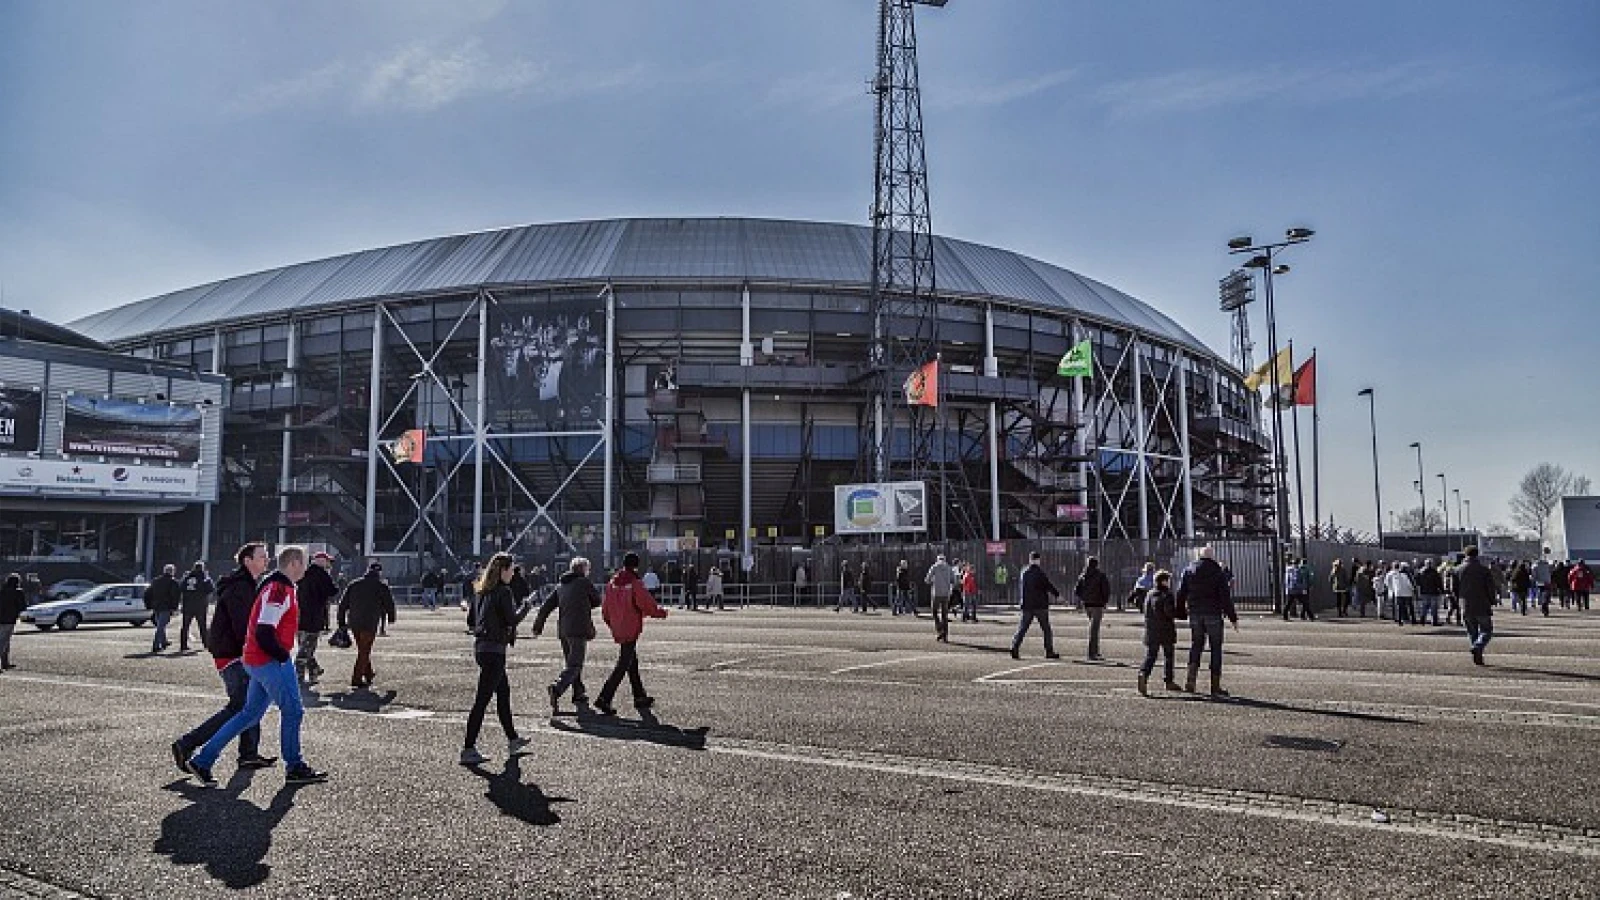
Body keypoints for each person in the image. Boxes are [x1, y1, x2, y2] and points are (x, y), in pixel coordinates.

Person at [185, 544, 329, 786]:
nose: (306, 568)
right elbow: (264, 629)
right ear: (293, 563)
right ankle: (294, 766)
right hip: (268, 661)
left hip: (256, 660)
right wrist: (282, 657)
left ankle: (203, 760)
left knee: (248, 714)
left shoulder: (275, 586)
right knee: (293, 711)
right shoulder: (279, 589)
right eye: (303, 562)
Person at [172, 544, 276, 777]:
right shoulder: (240, 587)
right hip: (233, 655)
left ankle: (248, 753)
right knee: (240, 707)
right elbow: (243, 626)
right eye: (262, 556)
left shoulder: (249, 585)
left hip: (238, 653)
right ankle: (187, 744)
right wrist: (261, 648)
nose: (267, 560)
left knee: (252, 703)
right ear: (247, 561)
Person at [461, 552, 535, 766]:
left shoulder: (481, 591)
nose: (513, 573)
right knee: (482, 700)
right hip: (495, 650)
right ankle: (468, 748)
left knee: (503, 694)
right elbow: (511, 620)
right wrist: (527, 607)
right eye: (511, 569)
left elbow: (470, 620)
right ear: (503, 570)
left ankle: (513, 739)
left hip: (483, 648)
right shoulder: (503, 592)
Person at [595, 551, 669, 716]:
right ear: (636, 565)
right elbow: (645, 603)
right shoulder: (635, 582)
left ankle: (639, 696)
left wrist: (612, 623)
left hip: (618, 625)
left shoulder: (613, 582)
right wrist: (660, 612)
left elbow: (605, 608)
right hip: (630, 626)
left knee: (631, 662)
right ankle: (604, 697)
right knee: (623, 664)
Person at [533, 556, 601, 714]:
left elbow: (545, 608)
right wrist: (584, 603)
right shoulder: (583, 582)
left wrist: (538, 626)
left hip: (563, 630)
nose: (588, 572)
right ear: (583, 570)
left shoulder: (560, 586)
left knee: (571, 663)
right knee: (575, 665)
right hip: (578, 629)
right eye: (587, 569)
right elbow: (597, 600)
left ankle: (578, 693)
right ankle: (557, 688)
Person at [1176, 545, 1239, 697]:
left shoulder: (1189, 570)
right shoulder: (1218, 572)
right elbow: (1225, 597)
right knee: (1216, 648)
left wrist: (1181, 612)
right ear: (1212, 556)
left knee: (1196, 645)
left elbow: (1181, 593)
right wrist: (1233, 618)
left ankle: (1190, 681)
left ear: (1199, 556)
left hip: (1195, 613)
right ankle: (1214, 686)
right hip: (1213, 613)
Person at [337, 563, 396, 690]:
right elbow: (389, 603)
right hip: (370, 622)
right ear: (379, 572)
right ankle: (356, 679)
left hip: (354, 622)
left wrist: (341, 622)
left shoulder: (354, 584)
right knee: (364, 650)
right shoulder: (381, 586)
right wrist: (391, 617)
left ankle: (368, 674)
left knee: (362, 648)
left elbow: (342, 604)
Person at [295, 551, 338, 685]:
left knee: (304, 646)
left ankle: (314, 670)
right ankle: (299, 676)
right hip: (314, 618)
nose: (329, 564)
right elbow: (333, 591)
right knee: (306, 649)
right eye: (327, 561)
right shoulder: (322, 575)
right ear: (321, 561)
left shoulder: (301, 574)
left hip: (298, 617)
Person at [1010, 551, 1060, 660]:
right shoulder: (1040, 573)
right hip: (1040, 605)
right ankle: (1049, 651)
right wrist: (1057, 594)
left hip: (1027, 604)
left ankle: (1015, 646)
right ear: (1038, 560)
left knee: (1022, 628)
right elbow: (1047, 585)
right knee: (1046, 629)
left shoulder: (1024, 572)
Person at [1137, 570, 1180, 696]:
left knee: (1151, 656)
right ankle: (1169, 681)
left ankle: (1143, 673)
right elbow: (1169, 612)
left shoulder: (1150, 594)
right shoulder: (1167, 595)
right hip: (1165, 629)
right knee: (1169, 656)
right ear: (1164, 581)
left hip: (1151, 629)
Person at [1456, 545, 1497, 666]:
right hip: (1482, 604)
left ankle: (1477, 652)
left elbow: (1453, 588)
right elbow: (1490, 588)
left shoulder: (1457, 570)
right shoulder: (1484, 570)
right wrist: (1492, 600)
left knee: (1472, 631)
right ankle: (1478, 647)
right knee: (1486, 630)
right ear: (1477, 555)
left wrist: (1456, 601)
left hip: (1466, 604)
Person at [1073, 557, 1111, 661]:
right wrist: (1105, 602)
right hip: (1098, 604)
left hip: (1087, 604)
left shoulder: (1083, 576)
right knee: (1094, 629)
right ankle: (1092, 652)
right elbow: (1106, 590)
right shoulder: (1101, 576)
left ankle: (1095, 651)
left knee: (1094, 628)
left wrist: (1082, 599)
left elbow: (1077, 590)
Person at [142, 564, 181, 653]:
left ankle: (163, 642)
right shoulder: (173, 582)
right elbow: (175, 596)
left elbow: (147, 593)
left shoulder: (156, 581)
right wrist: (175, 607)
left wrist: (148, 604)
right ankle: (156, 645)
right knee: (161, 626)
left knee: (160, 624)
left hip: (156, 605)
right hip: (166, 606)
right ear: (172, 572)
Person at [177, 562, 215, 653]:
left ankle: (183, 645)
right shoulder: (204, 578)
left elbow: (181, 588)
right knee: (202, 625)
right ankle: (205, 643)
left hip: (188, 605)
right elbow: (211, 589)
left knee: (185, 626)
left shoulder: (187, 578)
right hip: (200, 605)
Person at [925, 554, 954, 642]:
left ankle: (939, 629)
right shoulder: (949, 568)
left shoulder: (934, 567)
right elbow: (954, 580)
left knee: (934, 611)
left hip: (936, 593)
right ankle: (945, 635)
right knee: (944, 615)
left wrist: (933, 581)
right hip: (946, 594)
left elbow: (927, 579)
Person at [1, 573, 26, 670]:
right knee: (4, 641)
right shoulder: (18, 592)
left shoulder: (2, 591)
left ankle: (5, 662)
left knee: (4, 641)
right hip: (9, 619)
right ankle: (4, 662)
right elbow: (22, 606)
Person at [1415, 558, 1445, 627]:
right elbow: (1439, 582)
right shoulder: (1434, 572)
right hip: (1434, 592)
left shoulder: (1421, 572)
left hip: (1424, 592)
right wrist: (1442, 590)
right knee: (1434, 608)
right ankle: (1434, 621)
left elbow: (1417, 582)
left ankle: (1422, 621)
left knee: (1424, 607)